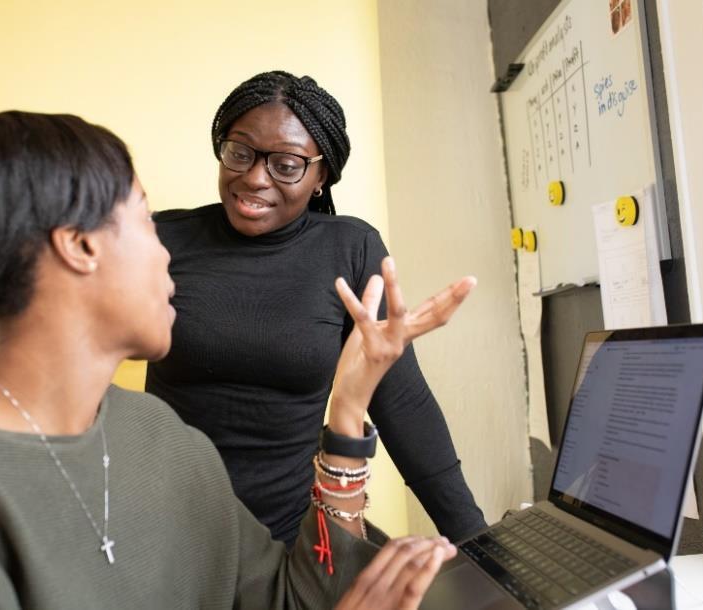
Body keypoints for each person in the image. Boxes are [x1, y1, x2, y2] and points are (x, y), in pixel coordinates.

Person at [0, 110, 475, 609]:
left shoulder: (163, 438)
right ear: (80, 246)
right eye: (146, 222)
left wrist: (347, 410)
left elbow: (287, 597)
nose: (171, 255)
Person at [149, 70, 487, 547]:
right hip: (165, 536)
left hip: (289, 539)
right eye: (239, 152)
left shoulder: (349, 248)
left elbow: (402, 402)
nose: (253, 177)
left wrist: (475, 541)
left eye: (285, 164)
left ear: (320, 175)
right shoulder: (164, 239)